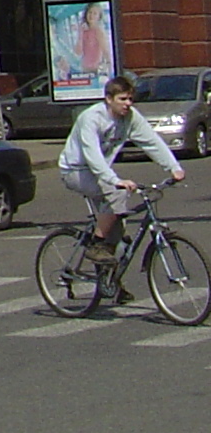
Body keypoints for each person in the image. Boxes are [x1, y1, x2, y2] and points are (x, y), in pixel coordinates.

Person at [60, 74, 185, 289]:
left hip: (100, 172)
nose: (128, 104)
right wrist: (114, 180)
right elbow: (93, 156)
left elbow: (151, 141)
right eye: (123, 99)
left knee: (119, 226)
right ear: (109, 99)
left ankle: (111, 283)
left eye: (130, 99)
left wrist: (173, 167)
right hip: (75, 170)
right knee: (117, 194)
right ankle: (97, 245)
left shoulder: (130, 118)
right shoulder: (91, 118)